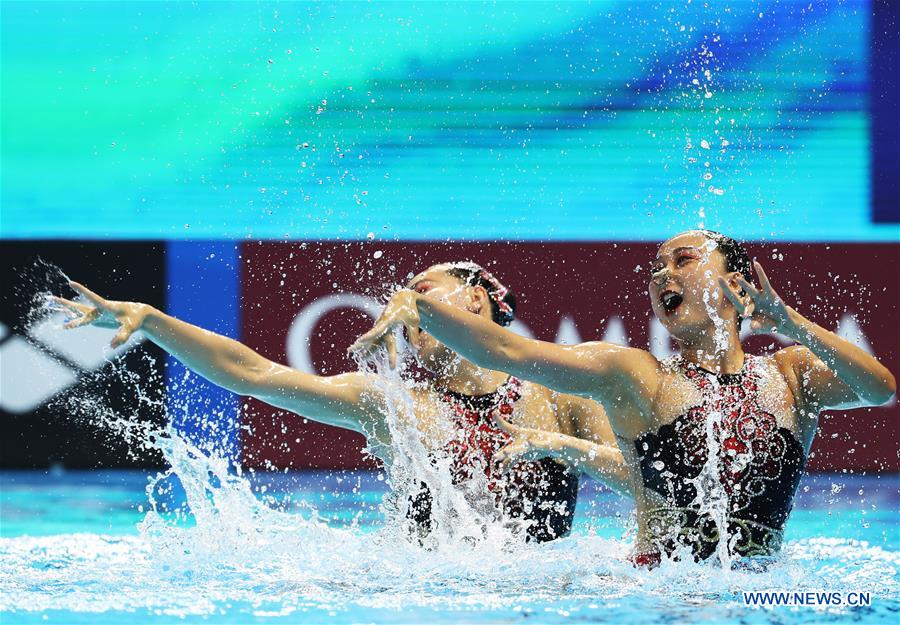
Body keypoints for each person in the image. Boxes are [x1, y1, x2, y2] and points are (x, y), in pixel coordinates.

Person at [351, 231, 896, 565]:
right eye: (656, 269)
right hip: (655, 593)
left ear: (736, 282)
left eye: (682, 261)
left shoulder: (791, 374)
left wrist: (789, 322)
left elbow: (879, 389)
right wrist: (420, 308)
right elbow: (507, 351)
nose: (663, 275)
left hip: (761, 593)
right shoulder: (635, 375)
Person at [51, 261, 630, 545]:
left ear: (477, 298)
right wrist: (153, 321)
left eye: (421, 293)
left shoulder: (564, 396)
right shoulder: (391, 405)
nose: (406, 309)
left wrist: (566, 449)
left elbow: (645, 483)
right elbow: (252, 374)